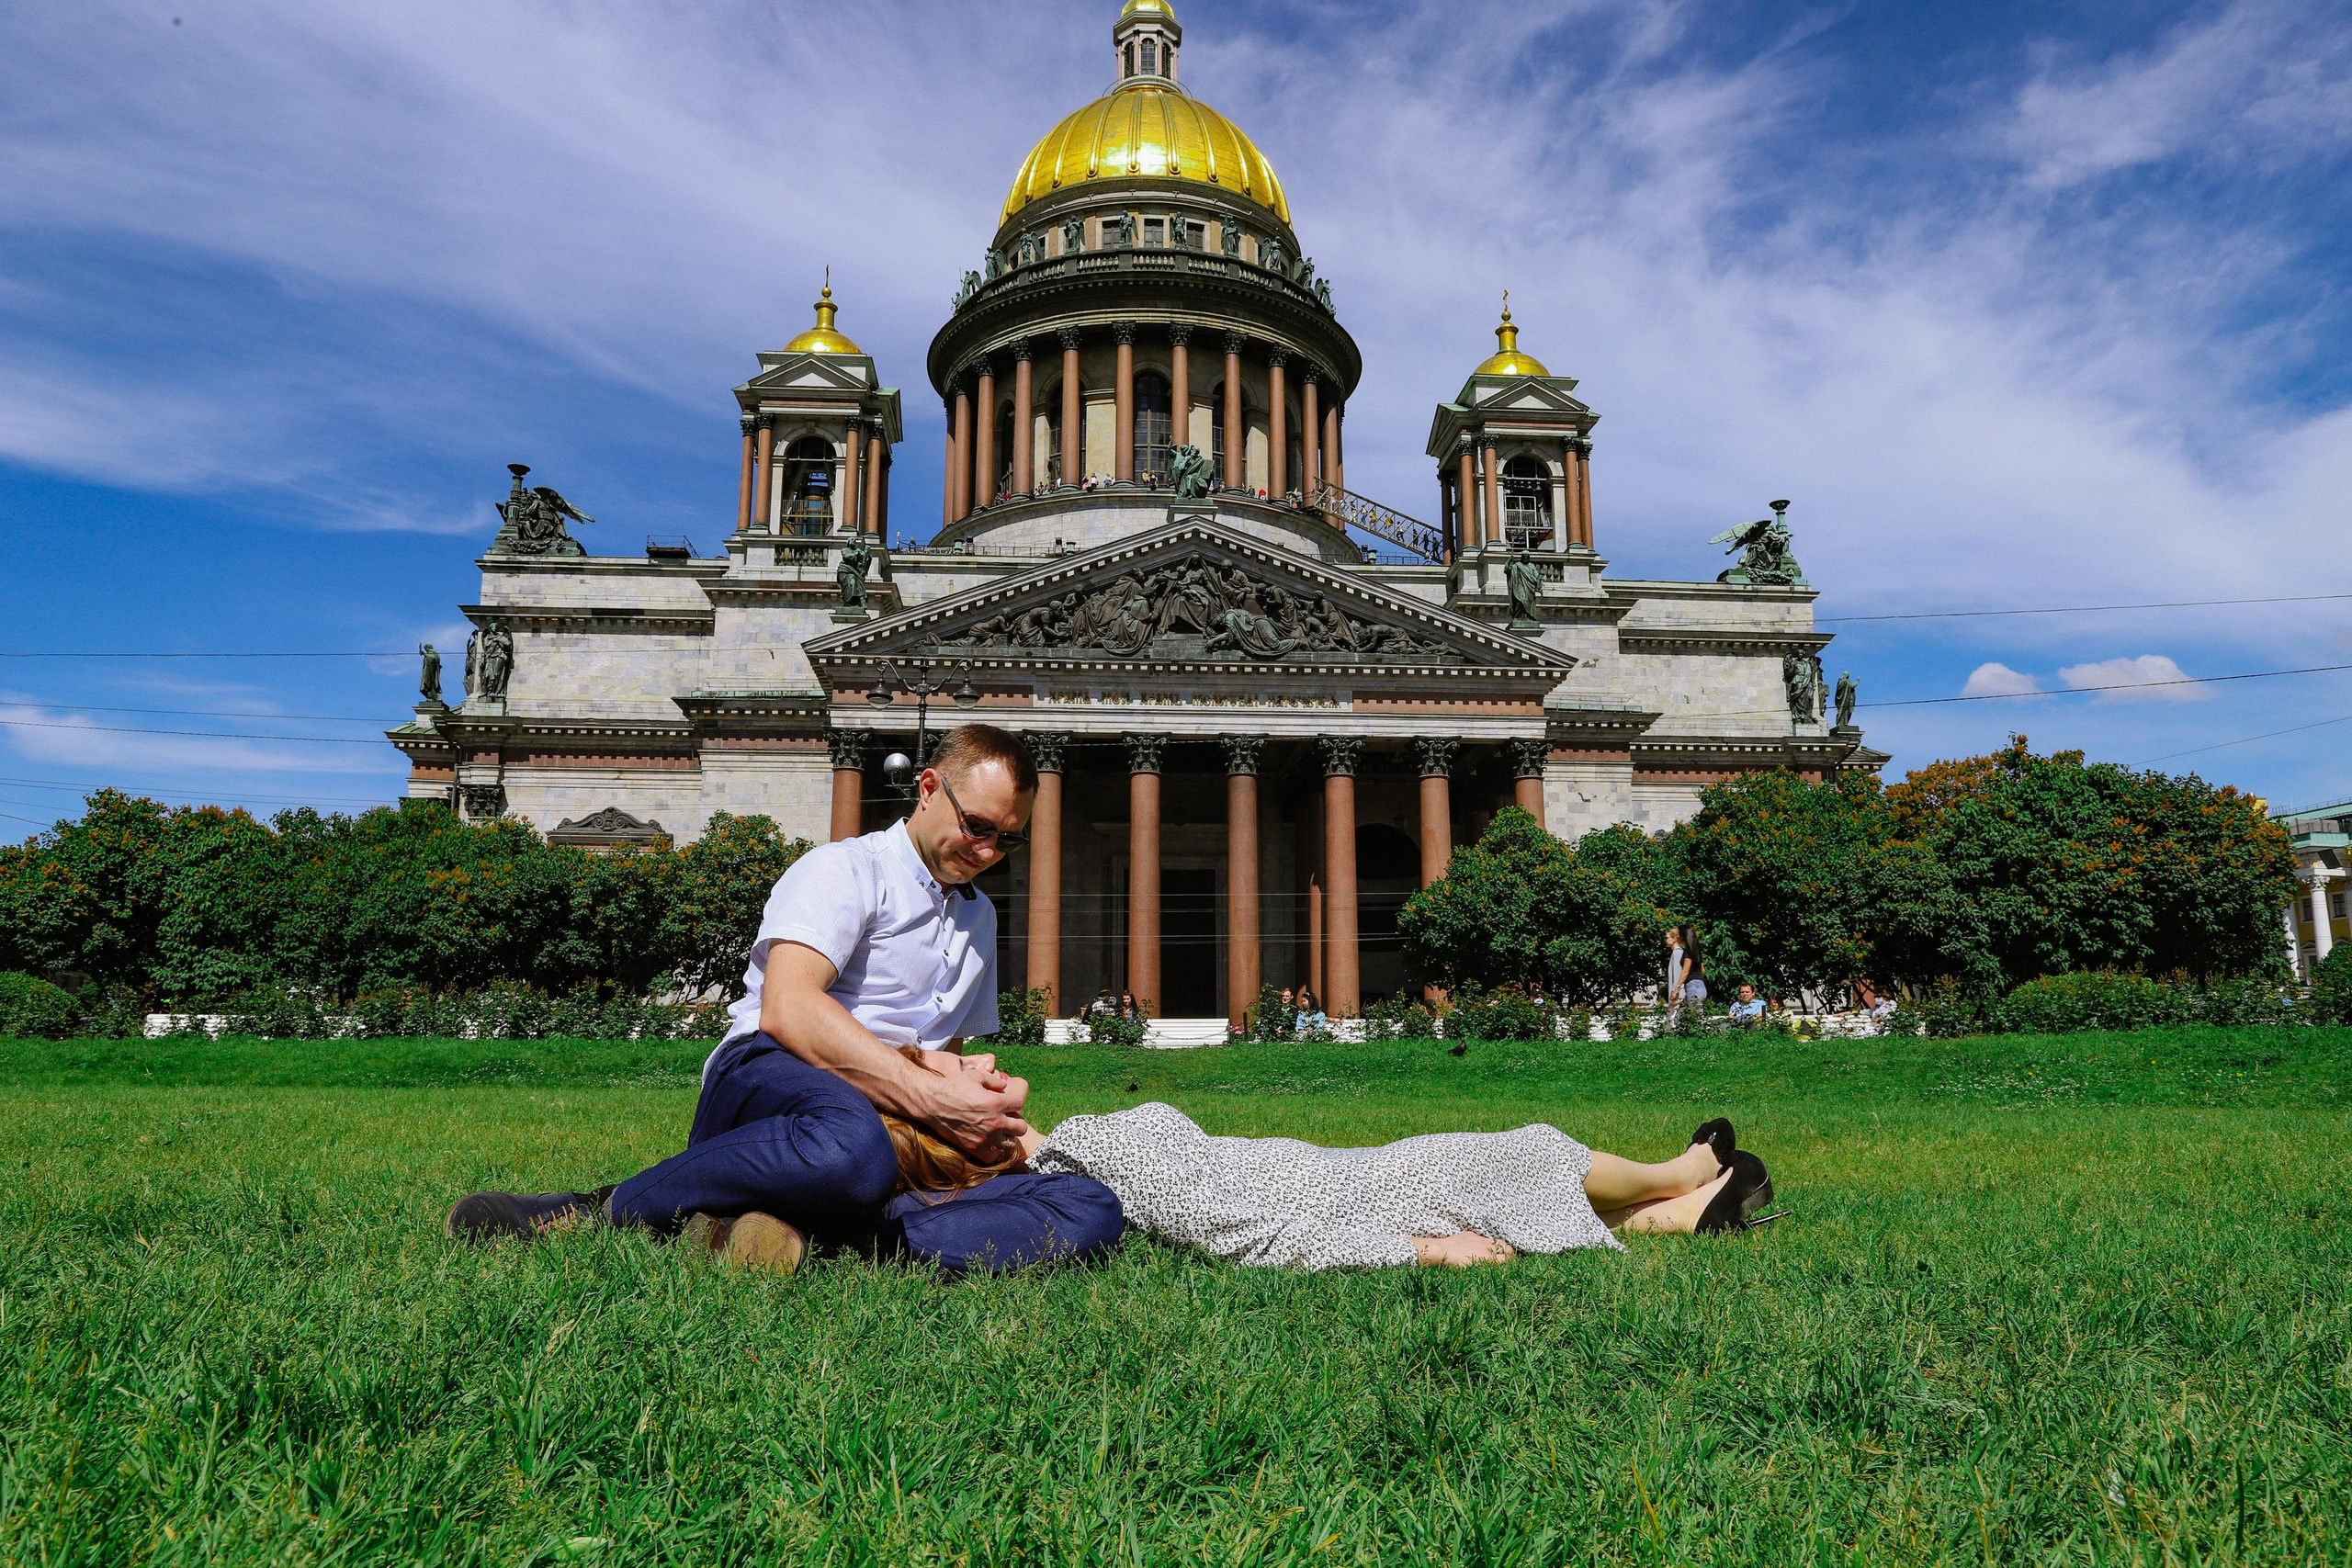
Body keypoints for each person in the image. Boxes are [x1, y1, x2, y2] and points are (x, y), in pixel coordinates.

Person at [444, 724, 1125, 1278]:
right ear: (927, 788)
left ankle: (818, 1237)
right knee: (853, 1148)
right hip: (774, 1081)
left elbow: (941, 1054)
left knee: (1090, 1205)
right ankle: (607, 1207)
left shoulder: (979, 918)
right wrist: (928, 1098)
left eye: (1008, 839)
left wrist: (987, 1120)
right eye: (977, 825)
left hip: (893, 1131)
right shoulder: (843, 869)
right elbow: (789, 1009)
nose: (986, 850)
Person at [965, 1081, 1778, 1269]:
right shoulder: (1098, 1157)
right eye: (955, 1069)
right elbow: (1246, 1235)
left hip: (1344, 1176)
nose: (981, 1059)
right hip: (1355, 1192)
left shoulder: (1074, 1151)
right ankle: (1675, 1178)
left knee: (1500, 1173)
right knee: (1516, 1151)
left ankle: (1679, 1209)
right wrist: (1423, 1251)